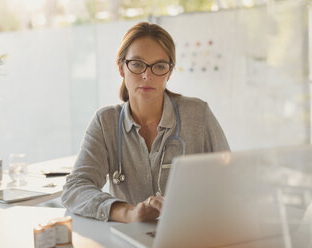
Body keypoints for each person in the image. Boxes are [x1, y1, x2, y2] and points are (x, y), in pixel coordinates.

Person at [61, 22, 230, 223]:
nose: (147, 75)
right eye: (137, 64)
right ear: (121, 68)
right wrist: (129, 213)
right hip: (129, 239)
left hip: (190, 233)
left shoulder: (198, 114)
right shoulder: (105, 122)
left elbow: (229, 181)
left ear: (169, 72)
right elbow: (75, 188)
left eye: (159, 66)